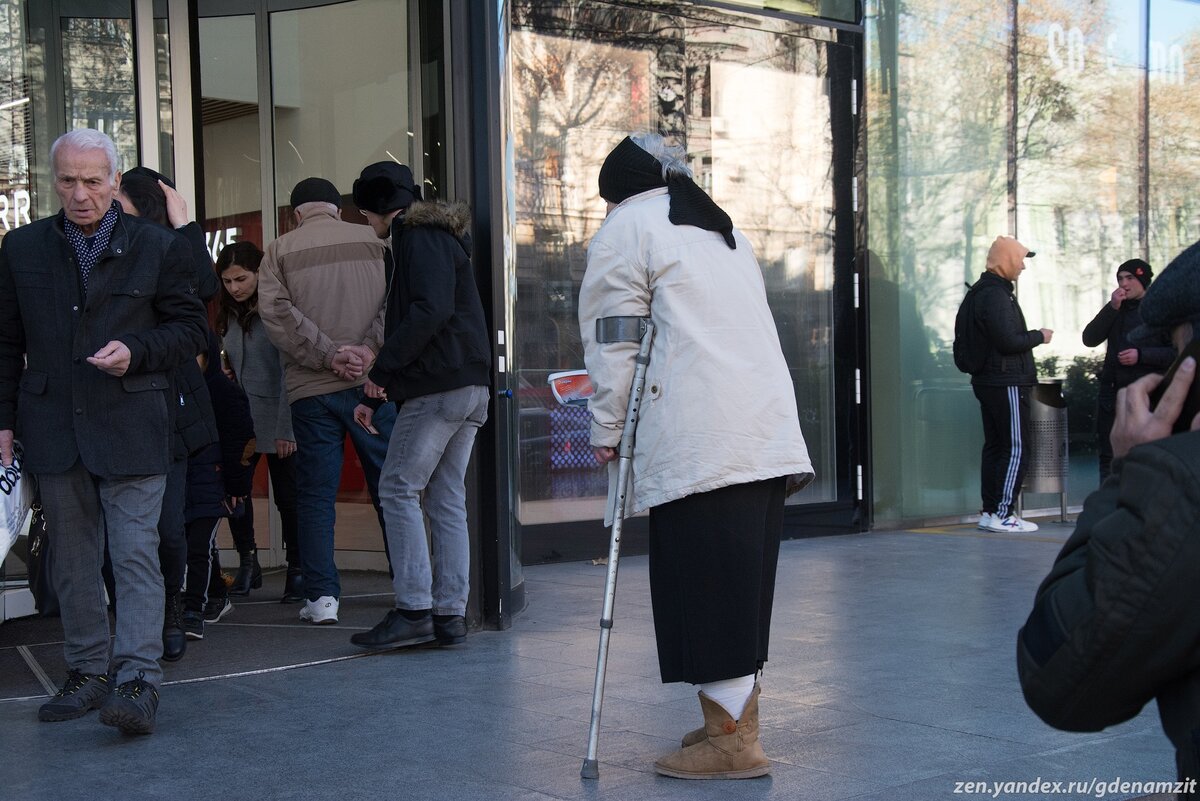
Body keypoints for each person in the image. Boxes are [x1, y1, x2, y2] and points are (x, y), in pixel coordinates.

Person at [576, 133, 814, 780]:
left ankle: (733, 741)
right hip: (760, 433)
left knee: (708, 588)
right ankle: (729, 722)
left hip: (699, 432)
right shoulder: (718, 228)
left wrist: (607, 427)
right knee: (736, 587)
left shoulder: (628, 228)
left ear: (616, 189)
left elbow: (614, 340)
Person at [0, 128, 208, 735]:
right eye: (67, 180)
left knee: (135, 553)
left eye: (93, 181)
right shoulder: (22, 248)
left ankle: (137, 679)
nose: (80, 193)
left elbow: (192, 330)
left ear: (115, 182)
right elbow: (7, 343)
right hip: (53, 427)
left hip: (134, 423)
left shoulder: (156, 245)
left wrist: (136, 351)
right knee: (72, 558)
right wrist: (3, 424)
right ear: (52, 180)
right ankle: (87, 671)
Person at [1017, 239, 1200, 793]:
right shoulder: (1119, 310)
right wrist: (1115, 302)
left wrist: (1134, 475)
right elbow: (1093, 338)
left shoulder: (1185, 490)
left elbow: (1062, 679)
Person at [346, 161, 491, 650]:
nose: (369, 224)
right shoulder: (439, 236)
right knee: (446, 496)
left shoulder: (417, 236)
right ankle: (450, 614)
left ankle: (414, 609)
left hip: (438, 387)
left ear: (378, 208)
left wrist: (380, 377)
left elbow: (430, 310)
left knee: (397, 489)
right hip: (467, 386)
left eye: (367, 215)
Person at [257, 177, 394, 625]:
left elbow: (277, 313)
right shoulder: (374, 240)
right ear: (338, 209)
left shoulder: (279, 250)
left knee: (315, 496)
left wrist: (328, 354)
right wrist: (366, 352)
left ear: (296, 214)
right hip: (373, 387)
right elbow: (394, 305)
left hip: (311, 391)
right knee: (390, 488)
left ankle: (322, 600)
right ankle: (410, 582)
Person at [114, 168, 220, 662]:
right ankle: (133, 617)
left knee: (168, 524)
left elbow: (203, 288)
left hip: (168, 400)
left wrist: (184, 226)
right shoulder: (98, 244)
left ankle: (171, 610)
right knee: (116, 529)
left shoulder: (163, 244)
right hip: (110, 398)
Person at [215, 241, 301, 602]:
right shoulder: (227, 315)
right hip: (240, 420)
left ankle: (298, 568)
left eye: (241, 278)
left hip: (276, 417)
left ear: (258, 273)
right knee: (235, 494)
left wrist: (286, 428)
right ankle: (248, 561)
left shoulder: (276, 308)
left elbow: (289, 373)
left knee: (288, 498)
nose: (234, 287)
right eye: (227, 281)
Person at [965, 236, 1052, 533]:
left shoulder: (983, 292)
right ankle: (1003, 513)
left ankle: (990, 512)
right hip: (1006, 381)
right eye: (1020, 259)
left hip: (990, 380)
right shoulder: (996, 296)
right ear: (1007, 260)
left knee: (997, 447)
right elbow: (1008, 340)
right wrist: (1039, 335)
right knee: (1016, 447)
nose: (1023, 267)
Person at [180, 331, 255, 640]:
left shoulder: (223, 391)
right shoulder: (176, 391)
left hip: (213, 482)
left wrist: (237, 487)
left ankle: (192, 610)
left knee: (198, 547)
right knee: (197, 546)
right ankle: (216, 595)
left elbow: (242, 444)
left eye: (194, 357)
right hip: (186, 484)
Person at [1081, 258, 1174, 481]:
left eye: (1130, 278)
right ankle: (1108, 507)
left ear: (1143, 281)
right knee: (1109, 455)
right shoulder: (1116, 309)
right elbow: (1089, 338)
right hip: (1112, 392)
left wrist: (1141, 355)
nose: (1124, 284)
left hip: (1146, 395)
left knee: (1145, 454)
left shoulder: (1159, 311)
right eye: (1120, 278)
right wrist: (1111, 308)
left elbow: (1175, 353)